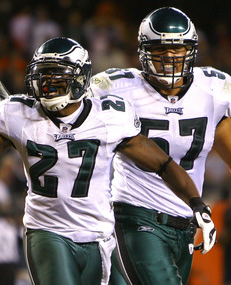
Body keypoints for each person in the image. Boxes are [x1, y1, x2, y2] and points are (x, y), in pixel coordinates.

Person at [0, 37, 215, 285]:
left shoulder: (109, 116)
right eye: (43, 76)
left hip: (100, 237)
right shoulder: (18, 114)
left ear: (80, 79)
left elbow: (162, 164)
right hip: (48, 231)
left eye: (58, 77)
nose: (48, 85)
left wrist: (196, 202)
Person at [89, 7, 230, 285]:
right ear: (143, 51)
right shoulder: (117, 87)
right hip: (136, 213)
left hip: (186, 221)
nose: (169, 56)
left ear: (191, 50)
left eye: (177, 49)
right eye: (159, 48)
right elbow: (70, 119)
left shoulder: (214, 89)